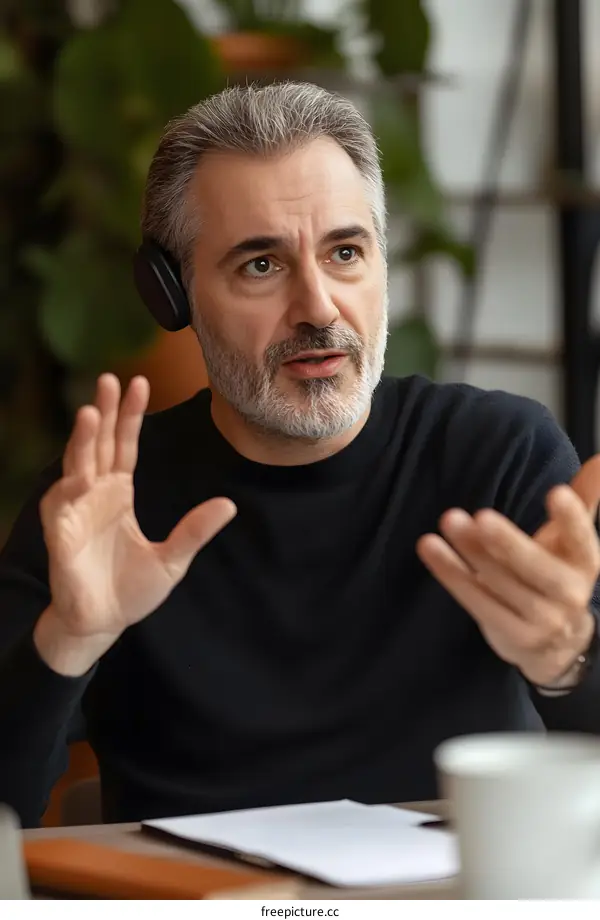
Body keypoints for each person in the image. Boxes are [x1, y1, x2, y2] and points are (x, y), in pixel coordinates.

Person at [1, 81, 600, 830]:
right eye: (261, 265)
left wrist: (565, 661)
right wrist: (69, 641)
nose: (317, 306)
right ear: (172, 294)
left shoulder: (498, 457)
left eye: (345, 252)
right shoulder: (109, 499)